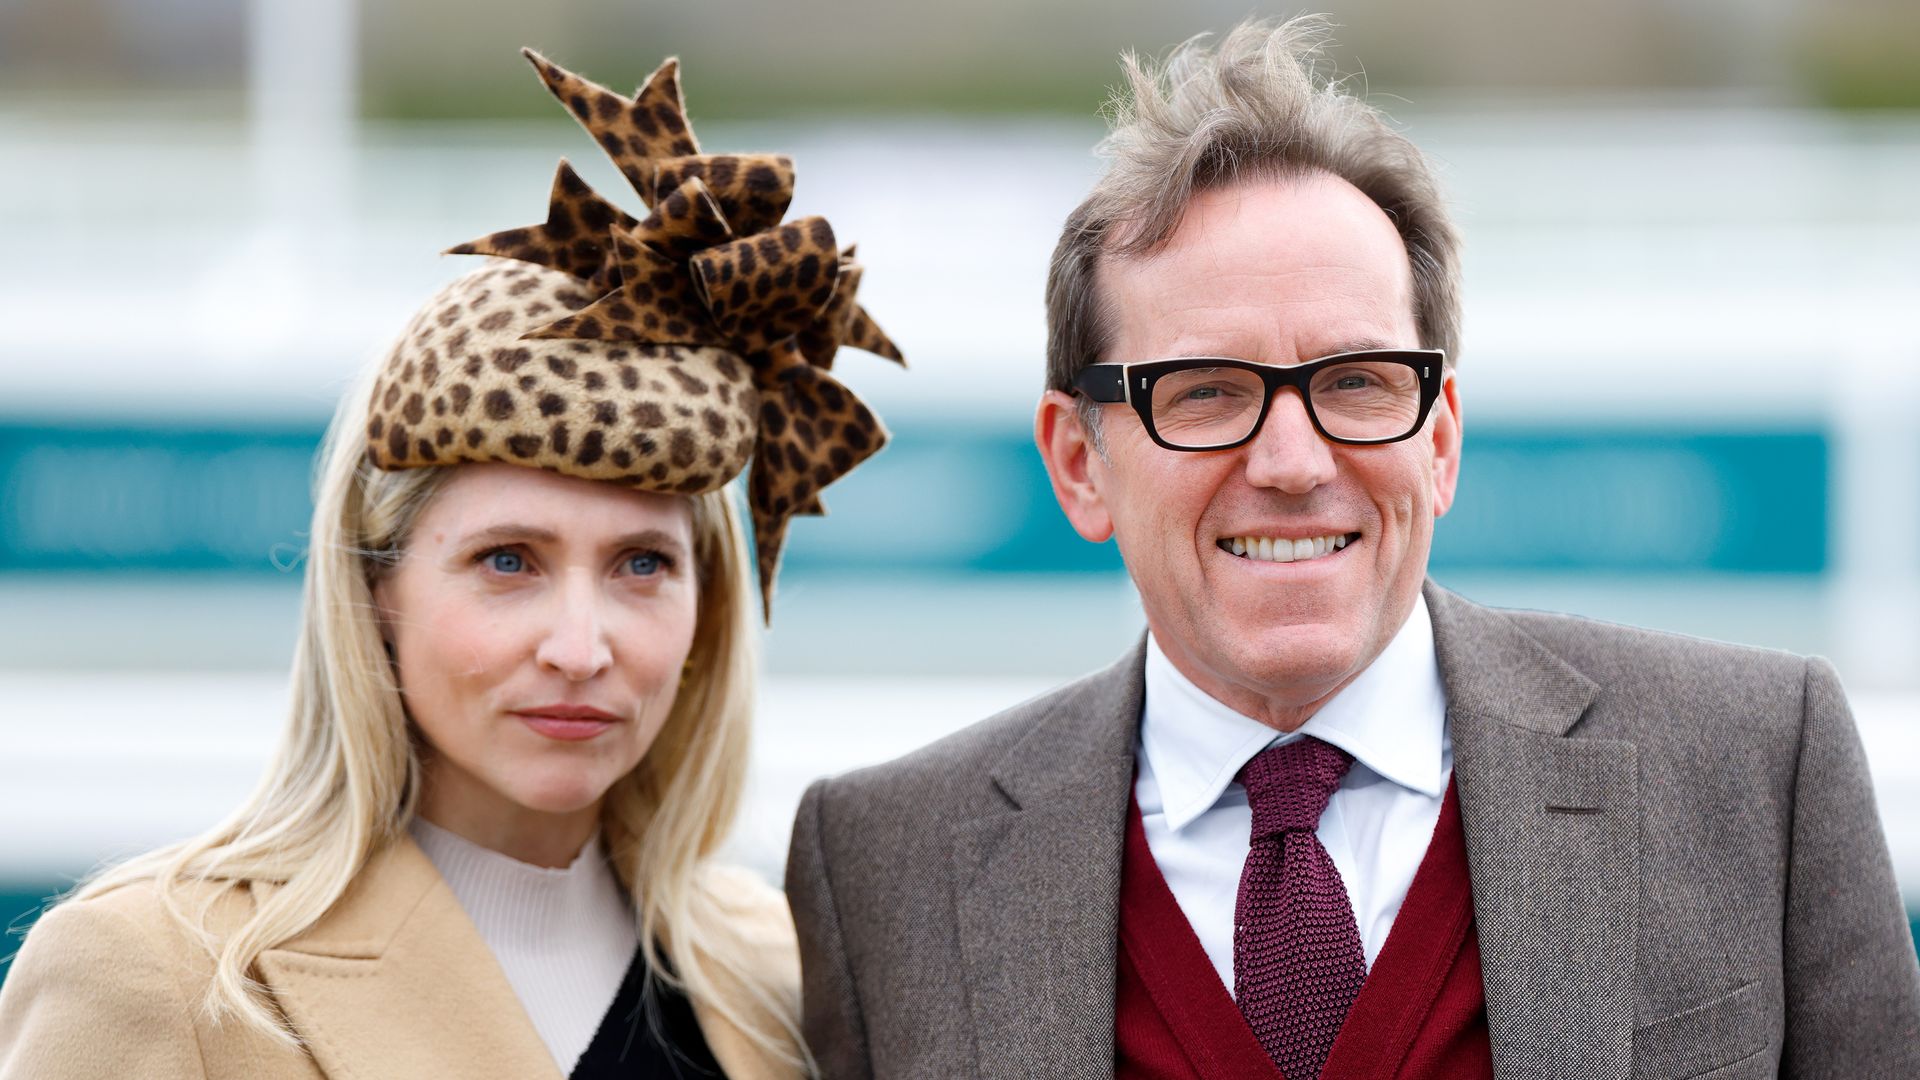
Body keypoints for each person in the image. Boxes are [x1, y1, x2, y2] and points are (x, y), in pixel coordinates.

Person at [784, 16, 1920, 1080]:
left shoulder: (1755, 772)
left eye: (1358, 383)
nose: (1291, 460)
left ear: (1442, 440)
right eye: (1207, 391)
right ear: (1079, 462)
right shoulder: (887, 869)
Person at [0, 47, 902, 1080]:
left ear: (712, 608)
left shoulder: (779, 973)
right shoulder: (159, 976)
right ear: (376, 590)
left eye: (642, 565)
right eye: (508, 560)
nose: (579, 646)